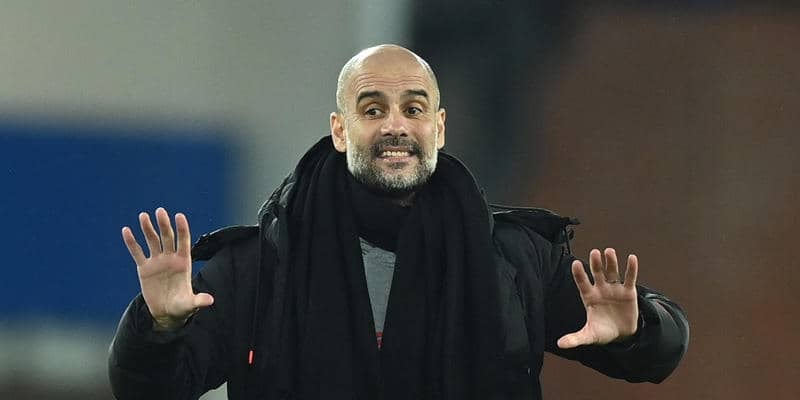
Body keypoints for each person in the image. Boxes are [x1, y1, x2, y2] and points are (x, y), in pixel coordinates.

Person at [108, 44, 688, 400]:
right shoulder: (258, 266)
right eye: (373, 109)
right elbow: (148, 389)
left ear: (439, 128)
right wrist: (158, 327)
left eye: (413, 108)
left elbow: (658, 358)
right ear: (340, 131)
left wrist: (638, 332)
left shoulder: (515, 258)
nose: (395, 126)